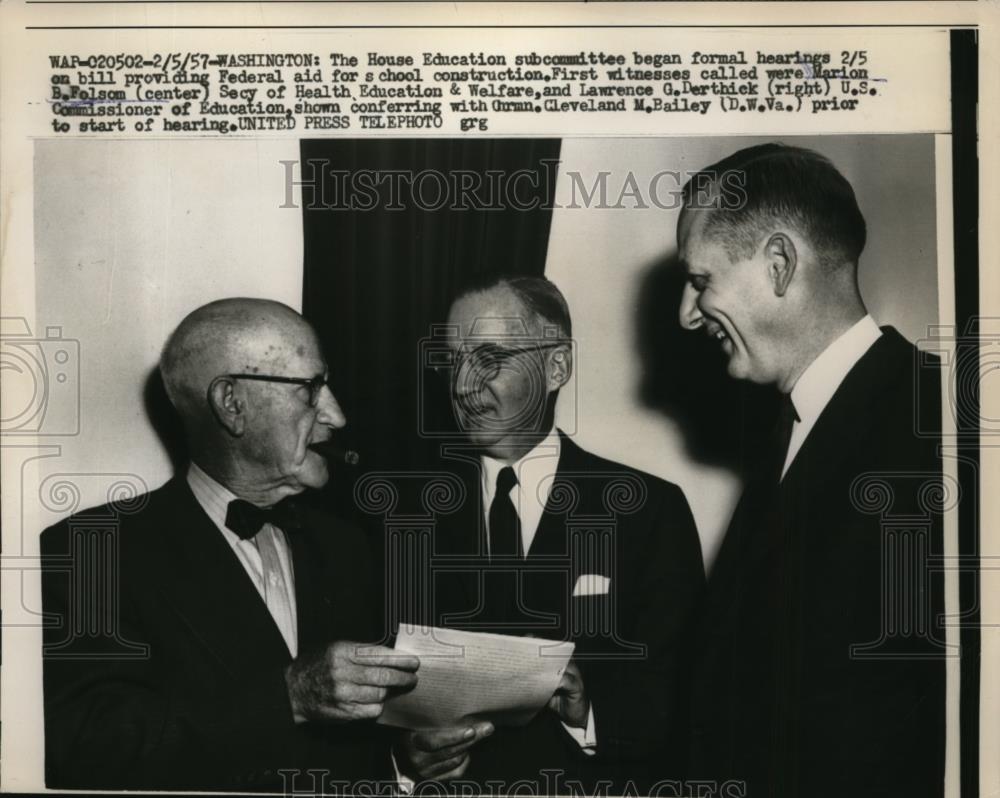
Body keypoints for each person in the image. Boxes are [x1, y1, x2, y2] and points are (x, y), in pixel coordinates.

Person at [40, 298, 419, 792]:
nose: (337, 416)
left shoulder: (347, 546)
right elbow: (86, 749)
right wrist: (287, 698)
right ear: (231, 404)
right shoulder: (94, 552)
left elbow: (359, 744)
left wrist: (407, 758)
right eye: (310, 389)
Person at [677, 143, 945, 796]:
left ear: (778, 264)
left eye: (700, 281)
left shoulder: (935, 423)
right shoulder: (786, 438)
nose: (685, 315)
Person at [392, 276, 706, 793]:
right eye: (452, 360)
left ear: (556, 366)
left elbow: (687, 696)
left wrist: (590, 711)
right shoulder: (403, 515)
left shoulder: (648, 511)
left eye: (490, 357)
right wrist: (406, 759)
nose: (463, 386)